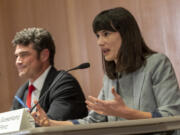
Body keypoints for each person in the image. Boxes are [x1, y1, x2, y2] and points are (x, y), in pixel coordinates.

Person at [32, 7, 180, 132]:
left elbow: (173, 114)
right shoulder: (111, 76)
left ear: (126, 35)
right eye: (97, 35)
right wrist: (51, 124)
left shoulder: (157, 64)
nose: (99, 42)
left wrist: (127, 113)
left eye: (106, 34)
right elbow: (93, 122)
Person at [11, 27, 88, 121]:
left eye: (24, 55)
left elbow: (53, 124)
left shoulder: (64, 84)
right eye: (17, 56)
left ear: (44, 55)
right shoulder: (22, 92)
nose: (18, 61)